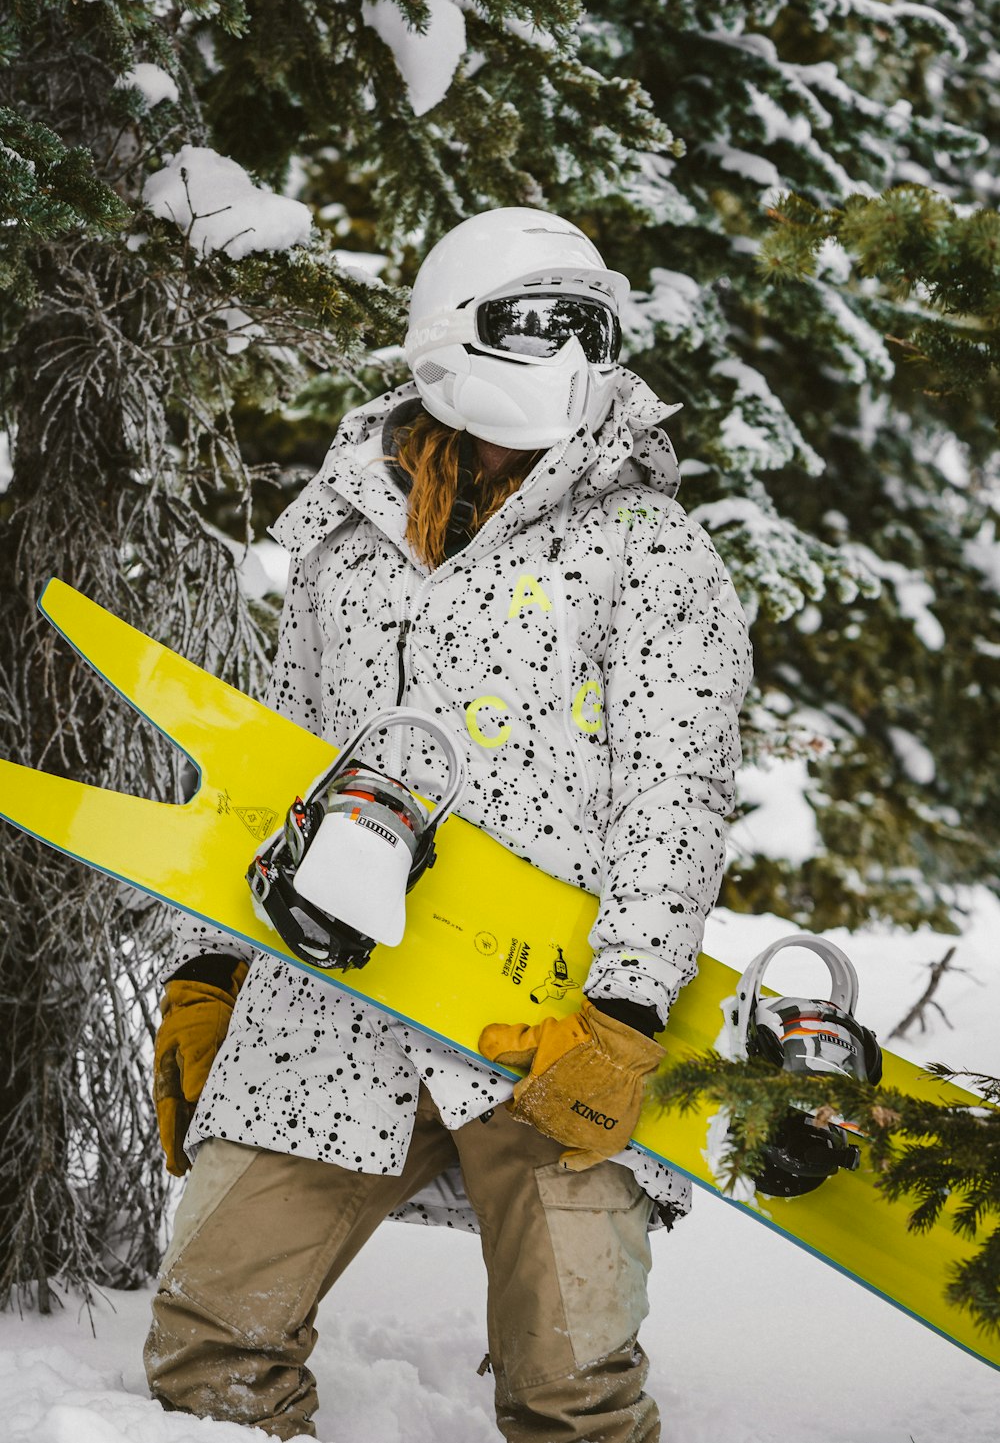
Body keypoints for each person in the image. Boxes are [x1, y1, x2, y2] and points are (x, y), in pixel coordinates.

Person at [145, 207, 753, 1442]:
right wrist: (205, 967)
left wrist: (628, 1015)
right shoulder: (346, 542)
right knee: (210, 1352)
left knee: (571, 1394)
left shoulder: (649, 548)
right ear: (448, 334)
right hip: (330, 993)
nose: (573, 354)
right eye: (541, 321)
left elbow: (674, 791)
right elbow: (277, 759)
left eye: (593, 326)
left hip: (547, 1012)